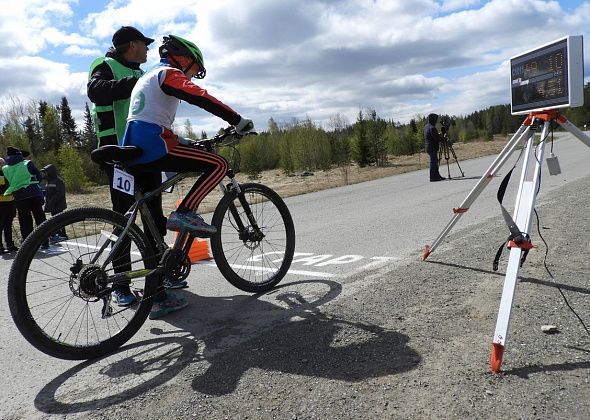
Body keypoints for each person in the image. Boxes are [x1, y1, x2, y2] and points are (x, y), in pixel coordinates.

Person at [121, 34, 254, 318]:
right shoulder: (168, 73)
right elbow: (200, 97)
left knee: (153, 222)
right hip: (152, 144)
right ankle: (184, 213)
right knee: (217, 164)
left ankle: (157, 295)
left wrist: (187, 143)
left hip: (135, 145)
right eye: (193, 68)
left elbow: (152, 118)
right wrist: (237, 120)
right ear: (182, 57)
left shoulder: (148, 76)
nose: (193, 76)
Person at [88, 26, 185, 307]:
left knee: (154, 216)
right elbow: (96, 92)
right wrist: (138, 84)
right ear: (132, 45)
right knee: (123, 220)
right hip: (120, 155)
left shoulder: (142, 74)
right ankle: (120, 285)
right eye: (144, 44)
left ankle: (160, 278)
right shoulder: (105, 65)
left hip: (146, 152)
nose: (147, 49)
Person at [2, 147, 47, 247]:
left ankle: (29, 244)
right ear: (19, 155)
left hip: (19, 197)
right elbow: (39, 177)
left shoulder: (5, 169)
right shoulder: (27, 163)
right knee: (39, 218)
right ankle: (45, 241)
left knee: (25, 220)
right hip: (34, 194)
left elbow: (7, 184)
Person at [41, 164, 67, 241]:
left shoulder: (58, 181)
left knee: (59, 220)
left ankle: (63, 235)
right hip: (52, 205)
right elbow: (48, 191)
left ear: (51, 172)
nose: (45, 174)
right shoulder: (49, 181)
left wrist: (52, 200)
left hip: (58, 205)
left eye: (46, 172)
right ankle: (58, 234)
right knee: (55, 220)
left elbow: (60, 193)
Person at [0, 157, 18, 254]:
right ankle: (0, 247)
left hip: (10, 203)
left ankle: (10, 245)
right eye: (1, 164)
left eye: (3, 163)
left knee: (8, 225)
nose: (2, 165)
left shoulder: (8, 174)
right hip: (1, 204)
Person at [424, 113, 446, 182]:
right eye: (436, 119)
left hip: (429, 147)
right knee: (433, 162)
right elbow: (436, 138)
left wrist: (439, 135)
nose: (436, 121)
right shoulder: (432, 128)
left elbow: (432, 136)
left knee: (435, 161)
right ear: (432, 119)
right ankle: (433, 177)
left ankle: (437, 176)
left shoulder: (427, 126)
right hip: (432, 147)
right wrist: (443, 139)